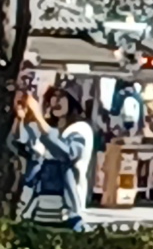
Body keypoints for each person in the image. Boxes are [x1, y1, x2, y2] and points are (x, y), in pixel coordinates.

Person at [17, 81, 95, 223]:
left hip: (68, 210)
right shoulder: (47, 127)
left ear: (73, 101)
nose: (57, 101)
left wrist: (39, 119)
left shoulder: (80, 129)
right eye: (54, 96)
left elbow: (65, 154)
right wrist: (21, 118)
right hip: (38, 207)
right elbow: (23, 148)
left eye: (63, 96)